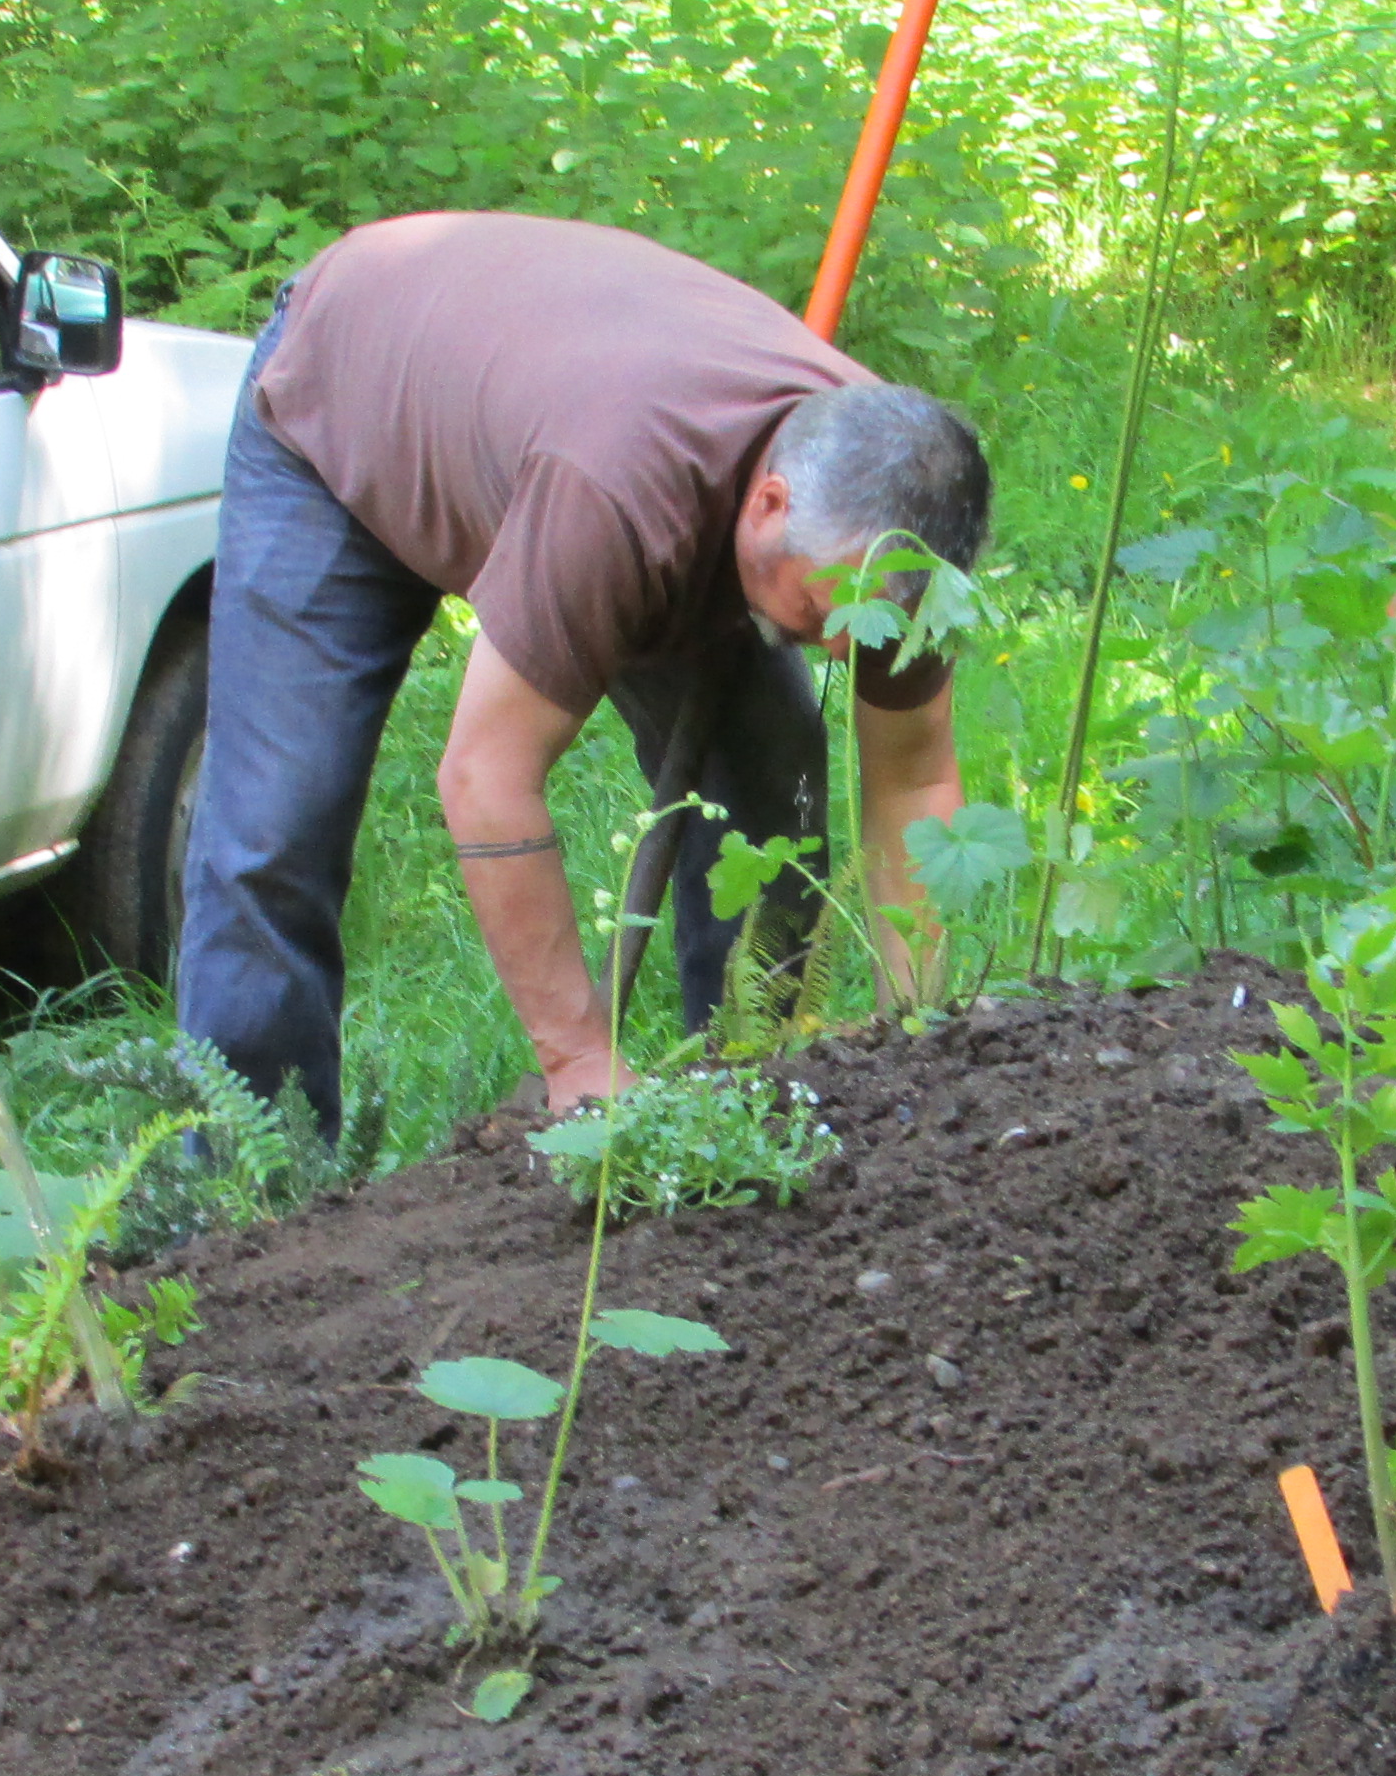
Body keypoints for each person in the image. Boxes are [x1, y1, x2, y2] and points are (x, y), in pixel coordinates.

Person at [176, 210, 994, 1137]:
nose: (844, 647)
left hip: (541, 421)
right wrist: (579, 1062)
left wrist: (913, 1034)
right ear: (768, 503)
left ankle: (754, 1093)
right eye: (821, 614)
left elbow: (914, 775)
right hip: (345, 400)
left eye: (866, 622)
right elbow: (485, 778)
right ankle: (253, 1180)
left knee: (771, 769)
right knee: (276, 826)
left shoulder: (892, 507)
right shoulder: (618, 493)